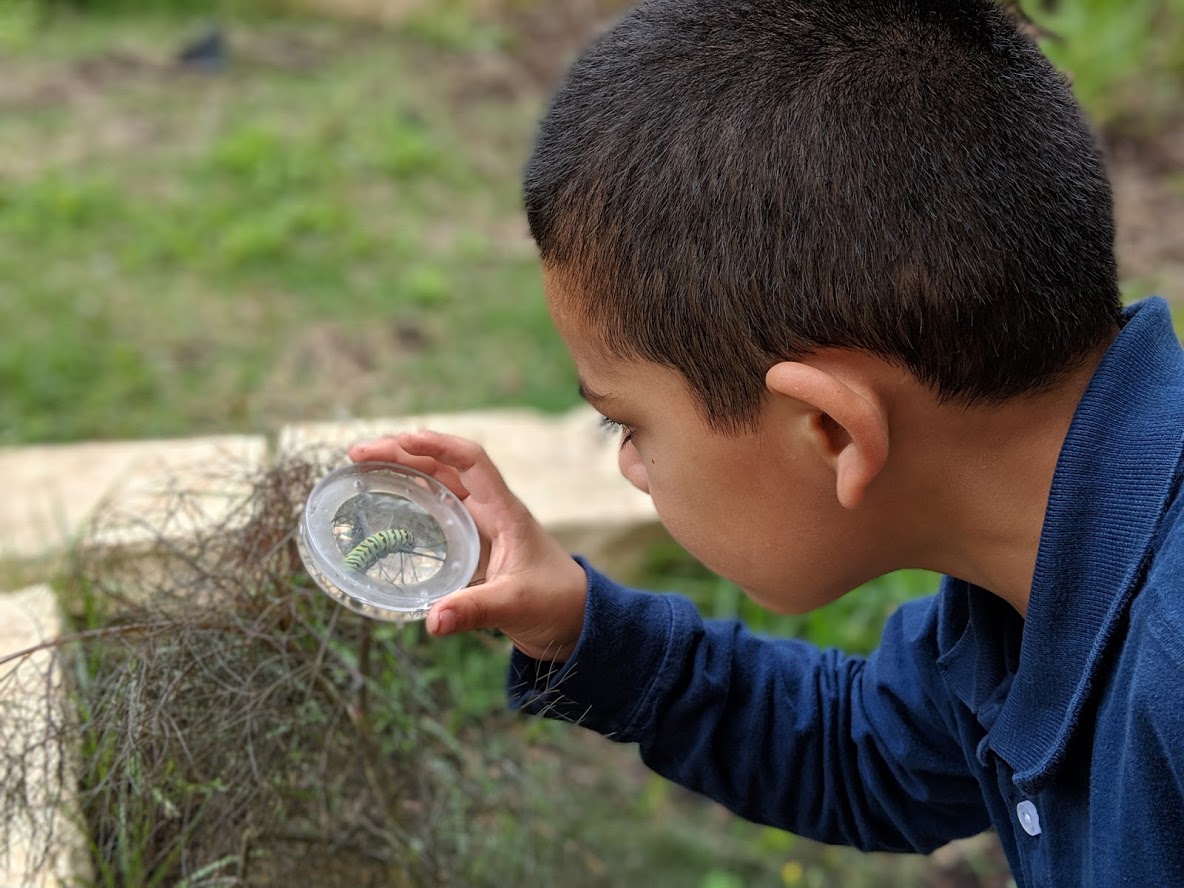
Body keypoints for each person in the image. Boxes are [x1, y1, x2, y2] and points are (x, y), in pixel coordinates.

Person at [350, 0, 1184, 883]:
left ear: (828, 430)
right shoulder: (1030, 571)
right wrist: (581, 630)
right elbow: (866, 756)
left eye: (627, 426)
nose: (632, 466)